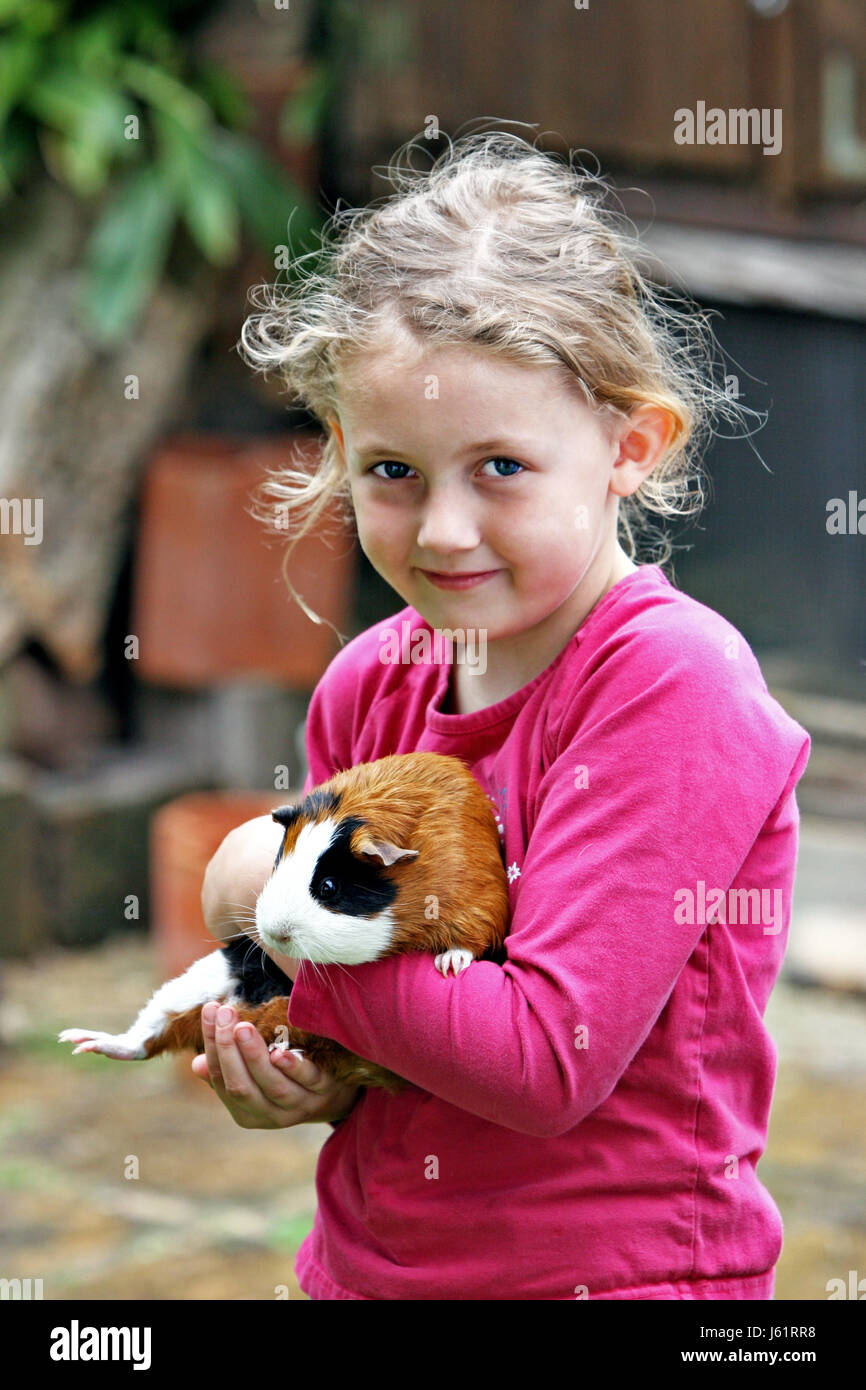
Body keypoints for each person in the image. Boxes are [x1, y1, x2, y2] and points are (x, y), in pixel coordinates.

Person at [194, 128, 810, 1300]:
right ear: (335, 450)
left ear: (629, 444)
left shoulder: (670, 686)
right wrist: (304, 1066)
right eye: (392, 471)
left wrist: (246, 897)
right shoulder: (368, 683)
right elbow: (380, 1011)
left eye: (500, 468)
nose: (441, 531)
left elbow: (540, 1059)